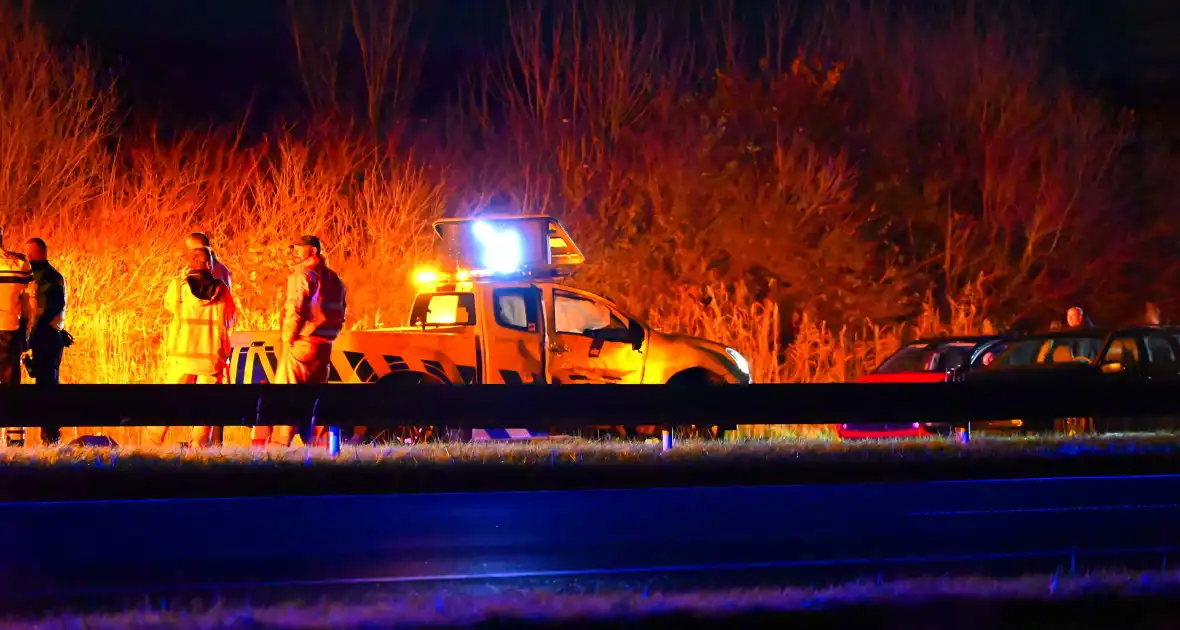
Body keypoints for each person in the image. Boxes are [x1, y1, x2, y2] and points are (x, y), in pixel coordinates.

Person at [252, 235, 347, 448]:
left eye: (299, 248)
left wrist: (288, 339)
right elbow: (341, 313)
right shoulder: (334, 279)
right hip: (323, 347)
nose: (294, 252)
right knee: (314, 398)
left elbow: (295, 309)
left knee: (286, 395)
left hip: (301, 344)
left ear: (313, 251)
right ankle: (321, 447)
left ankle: (280, 444)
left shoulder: (303, 275)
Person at [146, 247, 237, 448]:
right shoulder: (222, 290)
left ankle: (151, 444)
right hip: (211, 358)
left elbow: (170, 307)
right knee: (206, 405)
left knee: (168, 401)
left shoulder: (178, 288)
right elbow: (230, 319)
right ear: (208, 265)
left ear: (190, 264)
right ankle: (199, 447)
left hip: (182, 357)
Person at [24, 237, 68, 445]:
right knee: (49, 382)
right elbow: (57, 311)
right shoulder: (55, 277)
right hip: (52, 338)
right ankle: (50, 436)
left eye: (29, 254)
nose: (28, 258)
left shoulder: (43, 279)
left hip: (45, 339)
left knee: (46, 385)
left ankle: (49, 437)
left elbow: (44, 311)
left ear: (36, 254)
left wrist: (31, 338)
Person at [0, 227, 36, 446]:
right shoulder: (19, 265)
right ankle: (14, 442)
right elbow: (28, 302)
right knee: (11, 386)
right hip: (9, 330)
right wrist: (28, 328)